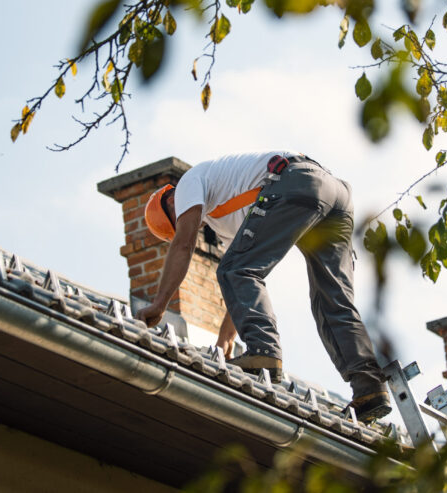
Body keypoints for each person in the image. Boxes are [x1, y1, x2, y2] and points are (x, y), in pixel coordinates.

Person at [138, 151, 391, 422]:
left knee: (234, 269)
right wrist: (225, 341)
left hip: (295, 181)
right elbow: (243, 280)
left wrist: (159, 305)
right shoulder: (224, 220)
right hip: (335, 195)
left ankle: (265, 352)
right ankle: (369, 388)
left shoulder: (188, 183)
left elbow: (186, 245)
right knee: (332, 300)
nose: (186, 223)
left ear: (170, 201)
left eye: (177, 220)